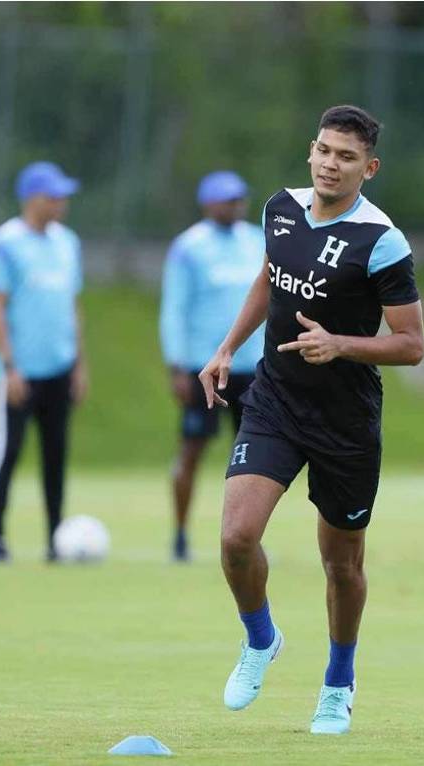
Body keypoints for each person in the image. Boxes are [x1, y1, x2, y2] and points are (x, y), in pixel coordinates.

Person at [197, 105, 424, 735]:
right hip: (275, 401)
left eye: (347, 157)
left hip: (346, 422)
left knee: (341, 565)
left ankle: (337, 683)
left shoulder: (382, 241)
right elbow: (269, 279)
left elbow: (412, 345)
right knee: (235, 538)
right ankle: (260, 638)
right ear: (310, 150)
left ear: (369, 169)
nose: (331, 164)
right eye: (324, 150)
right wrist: (227, 348)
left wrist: (340, 344)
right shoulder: (280, 209)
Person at [0, 161, 88, 564]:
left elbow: (72, 307)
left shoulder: (68, 242)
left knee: (55, 456)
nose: (62, 203)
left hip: (60, 369)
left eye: (64, 196)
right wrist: (9, 367)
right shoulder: (5, 243)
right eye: (54, 196)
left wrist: (79, 363)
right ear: (32, 198)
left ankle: (55, 541)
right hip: (20, 372)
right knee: (8, 453)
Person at [159, 171, 266, 563]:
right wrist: (176, 366)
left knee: (255, 459)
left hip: (253, 367)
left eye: (239, 199)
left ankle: (248, 539)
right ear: (208, 204)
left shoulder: (258, 241)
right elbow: (174, 309)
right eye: (226, 200)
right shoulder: (189, 247)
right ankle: (180, 534)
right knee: (191, 450)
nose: (235, 206)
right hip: (204, 369)